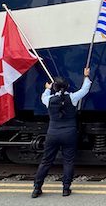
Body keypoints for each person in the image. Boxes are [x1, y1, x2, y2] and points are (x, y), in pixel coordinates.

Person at [31, 68, 92, 198]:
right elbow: (84, 90)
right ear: (67, 86)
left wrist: (47, 88)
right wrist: (86, 76)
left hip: (52, 133)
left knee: (46, 161)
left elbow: (44, 96)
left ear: (54, 87)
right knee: (68, 161)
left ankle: (37, 188)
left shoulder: (48, 100)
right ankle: (65, 189)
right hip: (69, 133)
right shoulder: (72, 98)